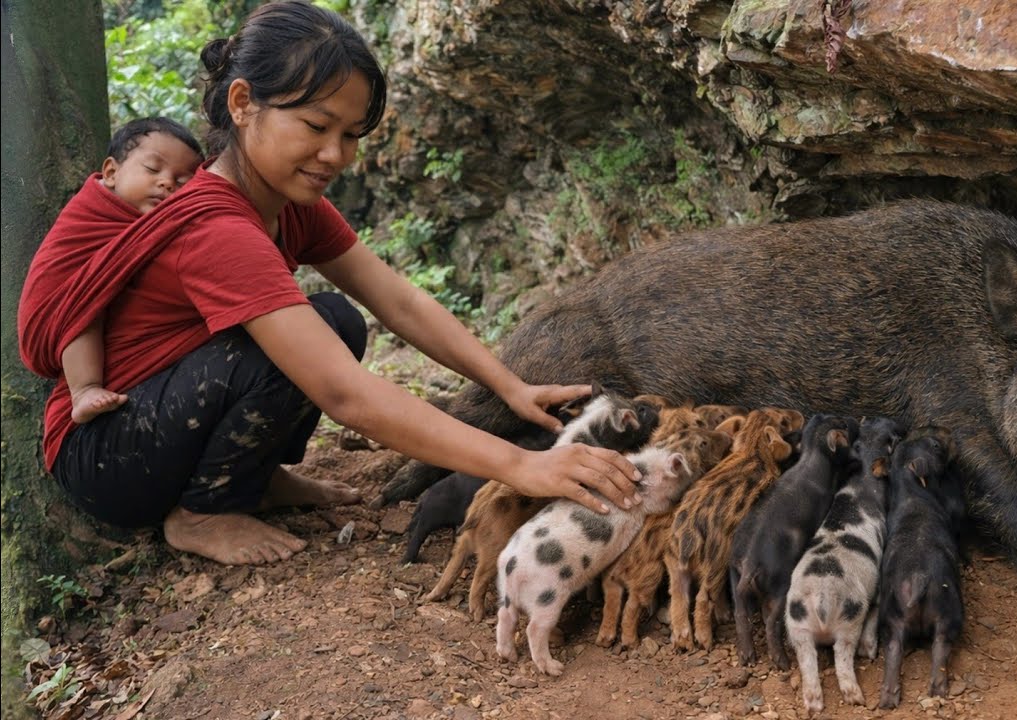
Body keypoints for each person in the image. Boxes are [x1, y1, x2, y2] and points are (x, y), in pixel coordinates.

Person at [17, 0, 639, 567]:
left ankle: (250, 481)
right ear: (242, 104)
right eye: (316, 126)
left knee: (336, 317)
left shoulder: (289, 200)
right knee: (284, 351)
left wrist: (510, 387)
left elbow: (396, 298)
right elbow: (344, 395)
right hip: (105, 453)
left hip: (164, 417)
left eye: (350, 135)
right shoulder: (216, 228)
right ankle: (201, 512)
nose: (335, 154)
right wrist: (524, 465)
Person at [53, 117, 205, 425]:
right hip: (71, 301)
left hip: (144, 357)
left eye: (182, 181)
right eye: (153, 169)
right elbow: (69, 284)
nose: (167, 183)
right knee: (84, 308)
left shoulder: (152, 226)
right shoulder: (94, 212)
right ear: (111, 172)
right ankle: (84, 389)